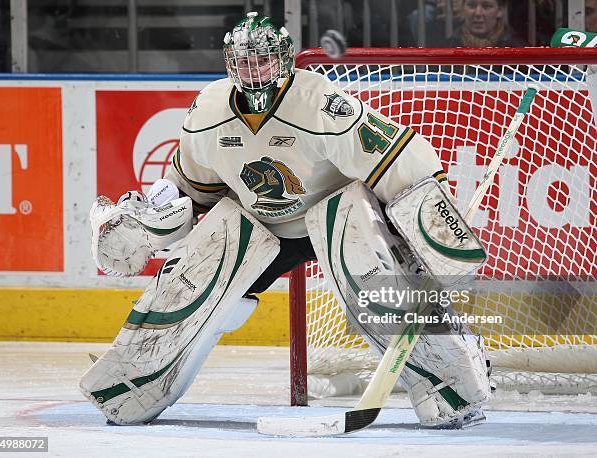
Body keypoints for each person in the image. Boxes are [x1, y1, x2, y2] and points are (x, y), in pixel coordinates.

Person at [81, 12, 490, 430]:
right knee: (190, 283)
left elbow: (392, 157)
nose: (252, 70)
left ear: (284, 59)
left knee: (378, 286)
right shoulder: (208, 110)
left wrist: (433, 226)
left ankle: (452, 385)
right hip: (262, 226)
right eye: (243, 62)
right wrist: (153, 218)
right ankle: (134, 387)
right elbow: (192, 191)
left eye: (261, 60)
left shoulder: (319, 104)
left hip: (336, 212)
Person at [449, 0, 527, 47]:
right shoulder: (447, 46)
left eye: (486, 6)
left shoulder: (521, 50)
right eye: (472, 5)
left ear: (500, 10)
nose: (478, 13)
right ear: (462, 8)